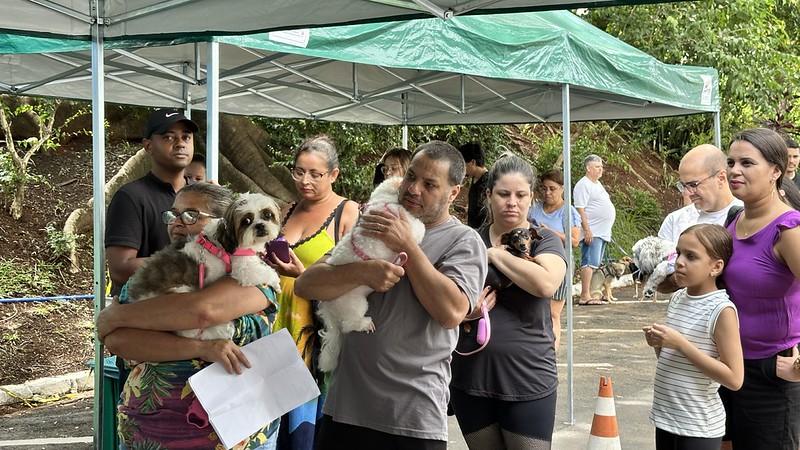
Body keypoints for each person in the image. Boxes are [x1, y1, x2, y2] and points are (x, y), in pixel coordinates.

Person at [295, 141, 487, 450]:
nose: (413, 189)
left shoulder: (463, 241)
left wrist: (407, 245)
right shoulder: (378, 219)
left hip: (411, 416)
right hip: (346, 407)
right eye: (411, 177)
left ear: (453, 193)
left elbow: (452, 312)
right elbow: (306, 284)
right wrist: (361, 272)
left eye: (429, 185)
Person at [97, 182, 279, 449]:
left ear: (225, 223)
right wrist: (203, 348)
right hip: (151, 431)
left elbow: (202, 311)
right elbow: (119, 342)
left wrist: (118, 316)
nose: (177, 222)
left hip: (235, 433)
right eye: (173, 214)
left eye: (192, 215)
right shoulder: (147, 276)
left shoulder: (258, 278)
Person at [451, 154, 566, 450]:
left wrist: (494, 254)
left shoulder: (543, 240)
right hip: (471, 377)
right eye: (503, 194)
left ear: (531, 198)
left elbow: (546, 283)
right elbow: (442, 299)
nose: (512, 202)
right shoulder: (467, 240)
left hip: (528, 377)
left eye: (520, 195)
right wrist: (464, 312)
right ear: (488, 195)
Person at [267, 135, 359, 450]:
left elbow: (354, 279)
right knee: (272, 425)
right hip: (275, 330)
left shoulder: (348, 212)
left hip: (314, 337)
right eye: (299, 171)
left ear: (334, 174)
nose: (305, 180)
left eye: (315, 174)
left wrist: (303, 276)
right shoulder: (286, 209)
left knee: (305, 430)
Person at [720, 128, 800, 450]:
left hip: (772, 374)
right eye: (731, 162)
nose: (734, 171)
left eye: (747, 163)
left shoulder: (788, 228)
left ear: (775, 171)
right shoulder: (734, 220)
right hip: (729, 367)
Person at [643, 224, 743, 450]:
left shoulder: (722, 310)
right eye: (678, 253)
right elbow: (678, 363)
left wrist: (680, 344)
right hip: (667, 418)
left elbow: (734, 378)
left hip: (698, 426)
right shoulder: (678, 298)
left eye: (691, 256)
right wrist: (659, 344)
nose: (679, 262)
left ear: (716, 267)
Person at [106, 108, 197, 296]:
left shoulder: (202, 197)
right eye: (169, 137)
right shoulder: (130, 197)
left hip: (192, 306)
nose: (180, 143)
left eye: (186, 137)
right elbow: (120, 270)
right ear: (148, 146)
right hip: (144, 308)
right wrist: (188, 263)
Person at [528, 169, 579, 352]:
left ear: (562, 189)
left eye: (552, 188)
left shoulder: (568, 212)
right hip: (534, 264)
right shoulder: (534, 209)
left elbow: (574, 241)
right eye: (544, 188)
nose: (548, 193)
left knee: (552, 313)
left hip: (560, 264)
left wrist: (549, 232)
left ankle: (551, 353)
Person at [658, 145, 742, 244]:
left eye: (693, 185)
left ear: (721, 178)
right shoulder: (674, 221)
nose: (688, 193)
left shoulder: (745, 217)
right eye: (683, 186)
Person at [573, 154, 616, 305]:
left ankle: (593, 293)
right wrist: (587, 230)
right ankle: (585, 295)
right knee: (589, 262)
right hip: (593, 230)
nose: (600, 170)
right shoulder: (583, 184)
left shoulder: (597, 184)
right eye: (597, 167)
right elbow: (580, 209)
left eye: (601, 167)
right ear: (588, 168)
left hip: (602, 231)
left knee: (595, 263)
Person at [459, 142, 490, 228]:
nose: (462, 169)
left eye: (464, 165)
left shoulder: (488, 183)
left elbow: (487, 215)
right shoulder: (475, 178)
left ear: (472, 162)